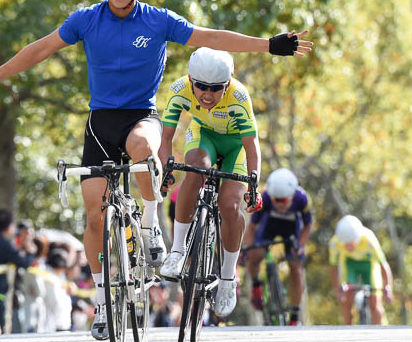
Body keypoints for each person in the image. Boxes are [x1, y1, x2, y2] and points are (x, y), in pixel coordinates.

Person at [0, 0, 312, 340]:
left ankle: (149, 225)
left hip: (140, 117)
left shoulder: (157, 20)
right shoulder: (86, 20)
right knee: (94, 215)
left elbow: (209, 36)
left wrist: (268, 45)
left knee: (144, 150)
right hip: (99, 123)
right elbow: (41, 49)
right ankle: (104, 302)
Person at [158, 47, 262, 318]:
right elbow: (166, 138)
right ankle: (178, 250)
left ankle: (228, 278)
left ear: (226, 84)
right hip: (203, 136)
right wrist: (165, 170)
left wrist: (253, 184)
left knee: (230, 204)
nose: (206, 94)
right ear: (191, 81)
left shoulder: (239, 97)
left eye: (215, 88)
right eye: (200, 86)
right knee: (195, 168)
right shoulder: (179, 88)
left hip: (236, 146)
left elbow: (251, 146)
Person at [242, 168, 312, 325]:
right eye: (276, 200)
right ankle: (256, 285)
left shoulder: (302, 198)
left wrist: (300, 245)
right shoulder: (266, 197)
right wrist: (248, 247)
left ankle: (294, 315)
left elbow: (308, 226)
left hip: (292, 230)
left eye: (284, 201)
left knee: (296, 268)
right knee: (254, 255)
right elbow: (252, 226)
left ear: (292, 196)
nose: (280, 205)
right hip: (269, 227)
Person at [329, 215, 394, 325]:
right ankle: (348, 330)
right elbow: (333, 267)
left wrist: (388, 288)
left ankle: (379, 331)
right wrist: (338, 290)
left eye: (352, 244)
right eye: (345, 245)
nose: (348, 247)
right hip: (349, 265)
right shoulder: (335, 242)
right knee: (346, 300)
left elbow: (383, 265)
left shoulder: (369, 239)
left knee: (375, 302)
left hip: (369, 265)